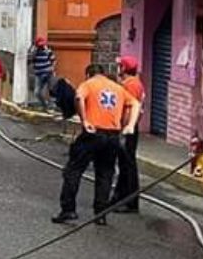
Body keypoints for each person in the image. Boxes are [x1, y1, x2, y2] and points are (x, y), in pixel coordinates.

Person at [52, 64, 140, 226]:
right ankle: (100, 214)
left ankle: (68, 210)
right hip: (112, 136)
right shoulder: (117, 88)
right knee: (105, 174)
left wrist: (85, 120)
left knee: (73, 171)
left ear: (88, 75)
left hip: (93, 133)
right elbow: (135, 104)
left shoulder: (88, 84)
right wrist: (130, 125)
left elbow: (79, 97)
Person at [112, 56, 146, 214]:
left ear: (124, 68)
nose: (118, 68)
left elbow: (129, 109)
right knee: (124, 164)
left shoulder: (130, 85)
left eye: (120, 66)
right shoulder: (134, 83)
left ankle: (130, 202)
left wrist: (122, 128)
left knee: (127, 165)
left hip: (127, 128)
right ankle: (119, 197)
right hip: (129, 128)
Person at [31, 37, 57, 110]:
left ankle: (52, 106)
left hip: (48, 73)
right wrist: (34, 51)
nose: (41, 47)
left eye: (42, 45)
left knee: (52, 89)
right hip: (39, 74)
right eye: (40, 45)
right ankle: (44, 105)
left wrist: (52, 68)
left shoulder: (47, 50)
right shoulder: (34, 51)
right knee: (37, 92)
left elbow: (54, 60)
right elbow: (31, 59)